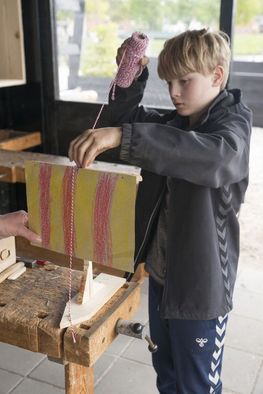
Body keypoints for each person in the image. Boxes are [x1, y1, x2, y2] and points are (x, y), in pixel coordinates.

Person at [68, 28, 252, 393]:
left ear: (217, 75)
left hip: (201, 291)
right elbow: (126, 118)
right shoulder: (175, 124)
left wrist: (124, 136)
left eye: (185, 81)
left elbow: (213, 156)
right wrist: (129, 74)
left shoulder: (233, 128)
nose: (174, 92)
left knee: (197, 384)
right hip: (162, 280)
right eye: (169, 82)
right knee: (166, 374)